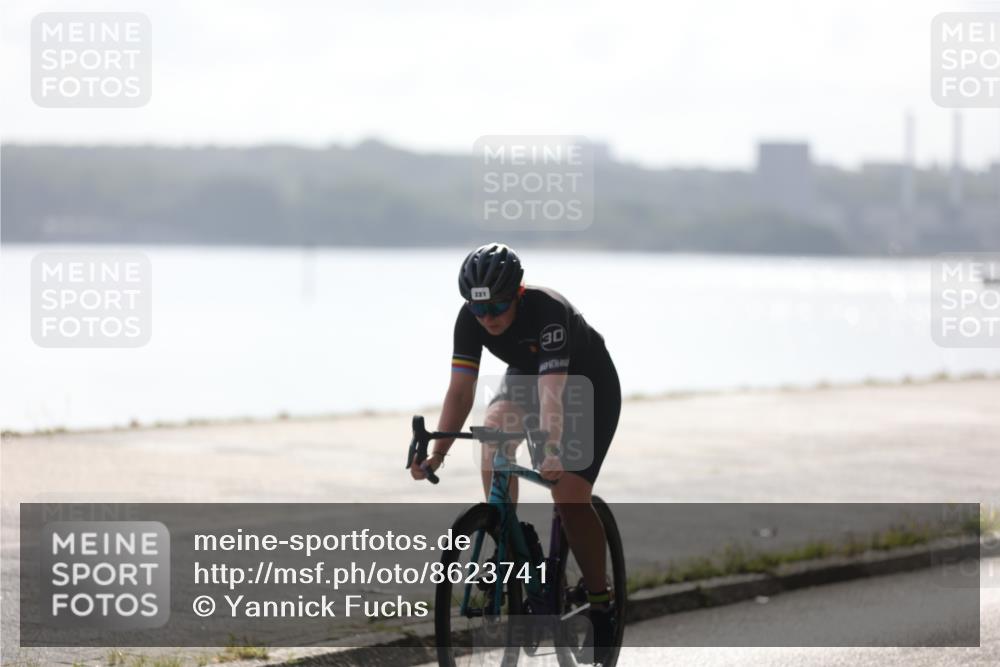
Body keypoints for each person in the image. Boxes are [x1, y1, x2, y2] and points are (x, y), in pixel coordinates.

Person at [410, 242, 622, 661]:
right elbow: (461, 389)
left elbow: (552, 394)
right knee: (494, 433)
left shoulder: (547, 312)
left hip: (585, 385)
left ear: (518, 293)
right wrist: (437, 452)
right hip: (529, 375)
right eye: (478, 310)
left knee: (569, 495)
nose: (487, 319)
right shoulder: (470, 319)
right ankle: (502, 531)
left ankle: (600, 604)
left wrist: (551, 447)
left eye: (498, 307)